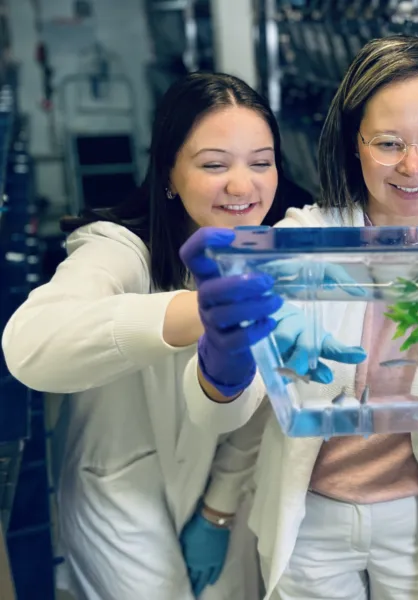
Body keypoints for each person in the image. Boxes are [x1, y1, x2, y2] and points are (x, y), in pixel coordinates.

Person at [177, 36, 418, 600]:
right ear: (354, 143)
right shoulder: (297, 242)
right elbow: (222, 414)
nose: (414, 166)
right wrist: (224, 365)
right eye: (388, 142)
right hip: (311, 517)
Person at [2, 72, 313, 599]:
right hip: (119, 493)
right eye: (215, 164)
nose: (243, 185)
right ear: (169, 172)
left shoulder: (280, 247)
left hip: (222, 486)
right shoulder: (118, 249)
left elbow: (263, 405)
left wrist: (218, 509)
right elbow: (31, 346)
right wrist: (198, 312)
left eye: (261, 163)